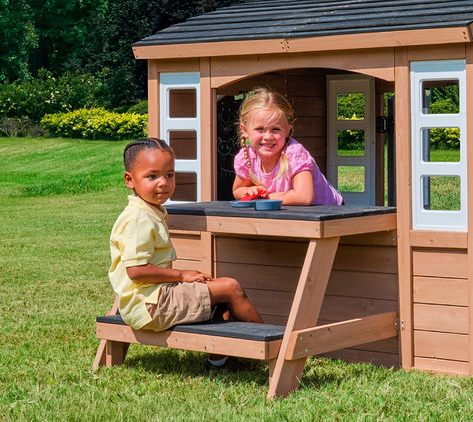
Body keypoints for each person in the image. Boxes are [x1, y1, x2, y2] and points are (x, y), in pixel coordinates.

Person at [109, 138, 264, 337]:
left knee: (218, 293)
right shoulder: (138, 219)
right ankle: (275, 350)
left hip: (150, 300)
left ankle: (221, 359)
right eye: (152, 176)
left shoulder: (148, 212)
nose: (163, 182)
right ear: (130, 180)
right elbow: (137, 271)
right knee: (230, 287)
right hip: (151, 305)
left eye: (169, 174)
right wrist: (182, 276)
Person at [232, 87, 343, 206]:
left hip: (330, 213)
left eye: (275, 129)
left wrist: (263, 198)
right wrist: (249, 191)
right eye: (260, 129)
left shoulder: (294, 153)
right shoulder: (247, 156)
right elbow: (237, 190)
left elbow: (304, 197)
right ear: (244, 130)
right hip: (291, 213)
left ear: (288, 131)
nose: (268, 136)